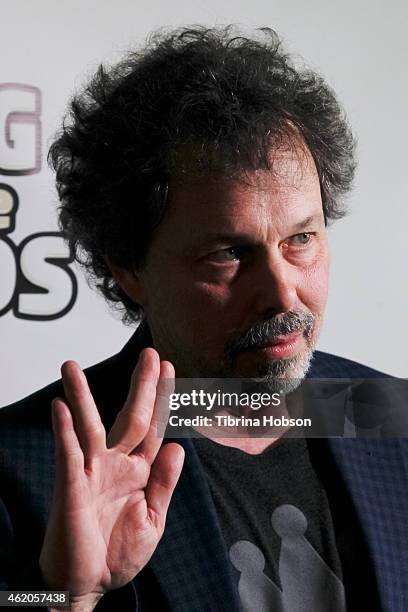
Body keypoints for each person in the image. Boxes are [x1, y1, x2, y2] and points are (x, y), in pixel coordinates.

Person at [0, 26, 407, 612]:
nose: (281, 294)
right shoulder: (23, 462)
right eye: (229, 254)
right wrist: (66, 595)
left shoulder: (388, 417)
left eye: (301, 240)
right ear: (129, 266)